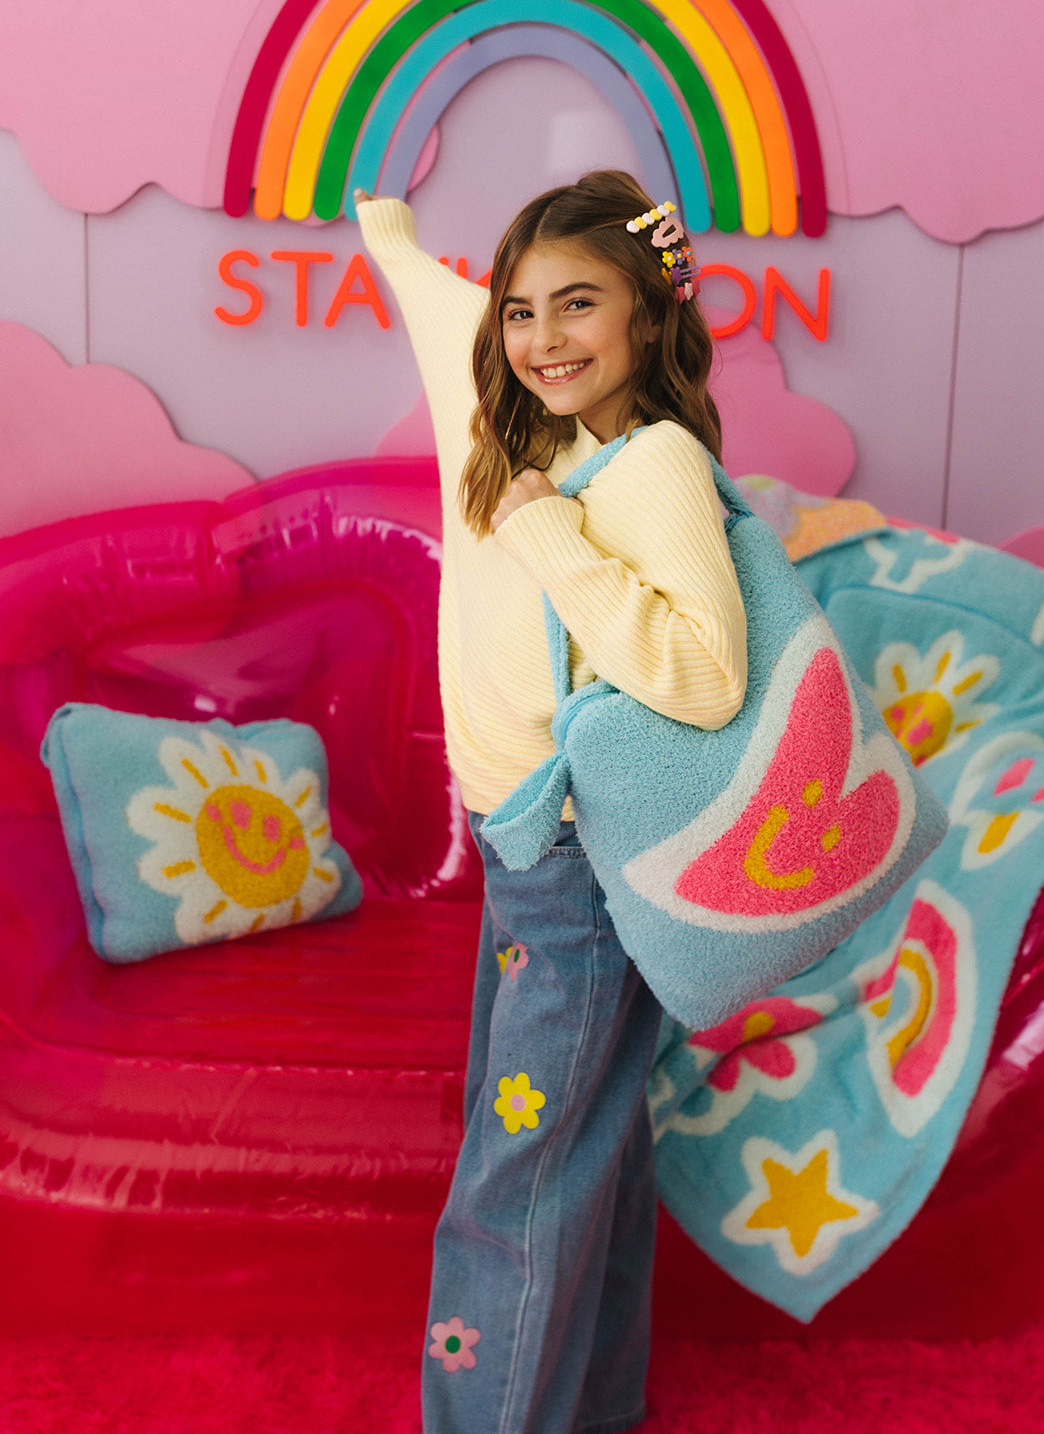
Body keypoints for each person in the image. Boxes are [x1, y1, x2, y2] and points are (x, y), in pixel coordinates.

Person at [354, 170, 747, 1434]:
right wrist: (394, 246)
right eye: (519, 311)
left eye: (577, 303)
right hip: (528, 850)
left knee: (514, 1184)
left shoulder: (653, 466)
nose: (540, 338)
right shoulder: (527, 444)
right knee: (585, 1147)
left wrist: (554, 544)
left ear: (648, 310)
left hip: (578, 863)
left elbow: (705, 673)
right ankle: (591, 1408)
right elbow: (448, 319)